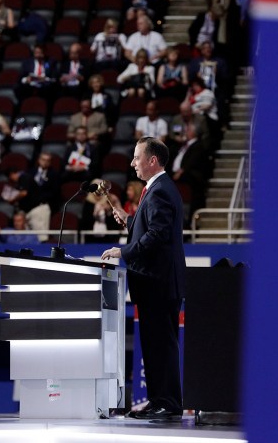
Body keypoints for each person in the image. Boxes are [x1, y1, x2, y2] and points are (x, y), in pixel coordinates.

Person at [101, 137, 185, 420]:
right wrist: (130, 220)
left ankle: (169, 403)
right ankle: (158, 400)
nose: (132, 163)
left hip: (158, 284)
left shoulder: (160, 190)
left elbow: (158, 236)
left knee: (162, 344)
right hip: (153, 284)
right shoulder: (157, 189)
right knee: (154, 344)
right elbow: (150, 227)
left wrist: (122, 251)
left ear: (152, 160)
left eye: (137, 158)